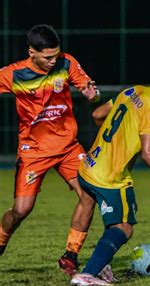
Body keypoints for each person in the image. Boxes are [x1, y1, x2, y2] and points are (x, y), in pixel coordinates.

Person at [70, 65, 150, 286]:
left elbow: (98, 114)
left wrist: (117, 140)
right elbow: (149, 153)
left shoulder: (133, 90)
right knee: (124, 227)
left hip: (89, 165)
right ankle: (87, 274)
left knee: (109, 220)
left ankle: (99, 265)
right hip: (110, 177)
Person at [0, 25, 100, 270]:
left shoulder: (66, 63)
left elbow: (91, 92)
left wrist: (93, 95)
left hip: (68, 148)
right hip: (34, 151)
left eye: (56, 54)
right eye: (47, 57)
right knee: (21, 210)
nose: (53, 60)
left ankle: (70, 256)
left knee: (90, 194)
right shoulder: (13, 74)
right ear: (31, 52)